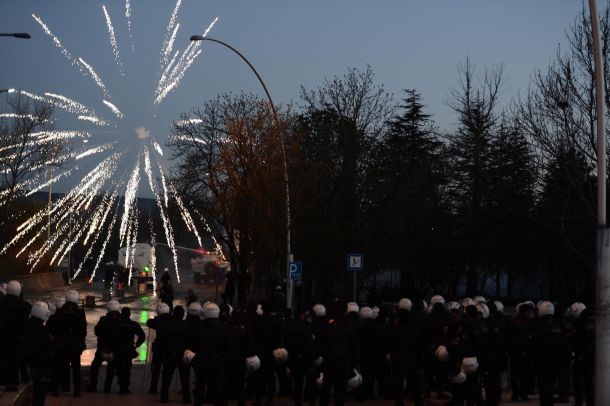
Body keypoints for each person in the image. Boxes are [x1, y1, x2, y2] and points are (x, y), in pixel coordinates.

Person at [318, 301, 361, 406]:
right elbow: (355, 346)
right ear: (345, 311)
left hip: (330, 361)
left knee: (326, 389)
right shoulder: (350, 326)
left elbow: (321, 343)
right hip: (344, 362)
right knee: (340, 391)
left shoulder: (328, 324)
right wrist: (354, 363)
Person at [49, 289, 87, 397]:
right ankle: (76, 391)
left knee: (58, 367)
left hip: (61, 345)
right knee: (76, 369)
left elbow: (54, 329)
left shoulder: (59, 312)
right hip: (75, 346)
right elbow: (83, 330)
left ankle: (56, 390)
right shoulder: (80, 312)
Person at [387, 300, 424, 406]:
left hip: (398, 362)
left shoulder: (394, 332)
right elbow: (419, 349)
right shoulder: (415, 333)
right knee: (415, 388)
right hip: (411, 362)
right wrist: (420, 364)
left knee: (398, 387)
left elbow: (390, 345)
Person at [190, 302, 227, 406]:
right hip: (217, 361)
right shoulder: (223, 329)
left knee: (200, 385)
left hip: (202, 361)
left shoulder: (200, 328)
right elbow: (226, 346)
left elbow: (194, 346)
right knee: (217, 387)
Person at [0, 280, 31, 391]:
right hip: (17, 337)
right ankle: (12, 383)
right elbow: (25, 322)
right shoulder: (23, 305)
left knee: (3, 358)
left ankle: (3, 380)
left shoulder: (2, 302)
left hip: (3, 335)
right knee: (14, 360)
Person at [252, 301, 284, 406]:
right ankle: (269, 398)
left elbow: (254, 337)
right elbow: (280, 337)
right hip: (273, 352)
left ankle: (259, 398)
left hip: (261, 351)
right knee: (270, 376)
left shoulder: (259, 321)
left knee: (259, 376)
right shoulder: (277, 321)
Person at [23, 302, 55, 406]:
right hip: (41, 365)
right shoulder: (41, 329)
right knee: (41, 392)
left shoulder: (28, 325)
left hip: (31, 362)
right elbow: (50, 345)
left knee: (37, 389)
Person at [87, 300, 121, 393]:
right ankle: (107, 388)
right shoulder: (121, 320)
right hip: (115, 349)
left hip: (102, 348)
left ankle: (93, 386)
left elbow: (97, 332)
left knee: (95, 367)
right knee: (111, 369)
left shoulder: (103, 320)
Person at [532, 301, 561, 406]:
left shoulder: (538, 326)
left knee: (543, 387)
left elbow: (534, 346)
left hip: (542, 362)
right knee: (550, 386)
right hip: (554, 360)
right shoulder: (557, 325)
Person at [114, 307, 145, 394]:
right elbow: (142, 336)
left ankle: (121, 388)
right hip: (128, 349)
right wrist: (136, 345)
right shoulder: (133, 324)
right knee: (127, 369)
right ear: (129, 314)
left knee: (119, 369)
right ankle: (126, 387)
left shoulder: (117, 324)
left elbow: (111, 336)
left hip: (118, 349)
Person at [147, 302, 172, 394]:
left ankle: (153, 387)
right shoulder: (172, 321)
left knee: (156, 369)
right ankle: (164, 389)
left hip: (159, 349)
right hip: (169, 349)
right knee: (166, 369)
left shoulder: (157, 322)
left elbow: (149, 322)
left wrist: (157, 319)